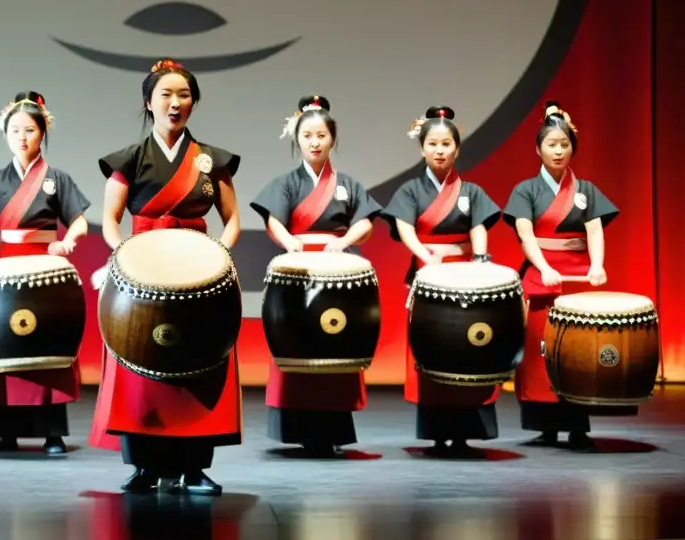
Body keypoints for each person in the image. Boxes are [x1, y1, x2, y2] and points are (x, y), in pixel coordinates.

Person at [88, 58, 241, 496]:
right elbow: (111, 220)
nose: (176, 103)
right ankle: (144, 467)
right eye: (166, 95)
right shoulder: (130, 159)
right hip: (144, 271)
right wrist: (126, 257)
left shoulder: (212, 160)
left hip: (198, 273)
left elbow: (230, 220)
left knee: (198, 366)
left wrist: (218, 256)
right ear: (148, 103)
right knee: (142, 369)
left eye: (185, 95)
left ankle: (195, 467)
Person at [249, 95, 381, 456]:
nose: (314, 142)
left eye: (321, 135)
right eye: (307, 135)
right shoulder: (288, 183)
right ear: (297, 140)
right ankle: (297, 426)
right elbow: (273, 220)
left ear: (332, 138)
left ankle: (334, 428)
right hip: (298, 269)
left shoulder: (347, 183)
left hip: (337, 268)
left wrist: (345, 242)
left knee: (337, 341)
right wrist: (289, 240)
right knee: (299, 343)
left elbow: (365, 222)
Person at [0, 91, 90, 455]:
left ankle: (52, 432)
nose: (22, 137)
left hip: (45, 272)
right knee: (5, 347)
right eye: (15, 130)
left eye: (29, 130)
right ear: (5, 134)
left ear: (42, 132)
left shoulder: (57, 179)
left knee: (47, 350)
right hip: (5, 272)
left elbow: (79, 222)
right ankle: (6, 431)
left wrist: (68, 242)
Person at [380, 105, 502, 457]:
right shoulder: (410, 191)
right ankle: (436, 432)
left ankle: (467, 431)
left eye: (446, 143)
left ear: (457, 148)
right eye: (432, 143)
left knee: (470, 347)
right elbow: (404, 227)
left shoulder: (471, 191)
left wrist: (480, 261)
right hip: (428, 273)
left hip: (465, 276)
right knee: (433, 349)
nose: (439, 150)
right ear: (422, 148)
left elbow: (478, 226)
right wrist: (423, 253)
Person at [503, 101, 618, 452]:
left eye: (564, 145)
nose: (558, 151)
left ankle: (578, 427)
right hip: (542, 272)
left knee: (577, 353)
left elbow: (595, 232)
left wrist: (596, 265)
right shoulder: (526, 190)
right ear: (538, 149)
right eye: (551, 144)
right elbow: (524, 235)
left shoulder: (585, 191)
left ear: (572, 149)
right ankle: (545, 427)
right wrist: (544, 267)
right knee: (541, 352)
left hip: (577, 275)